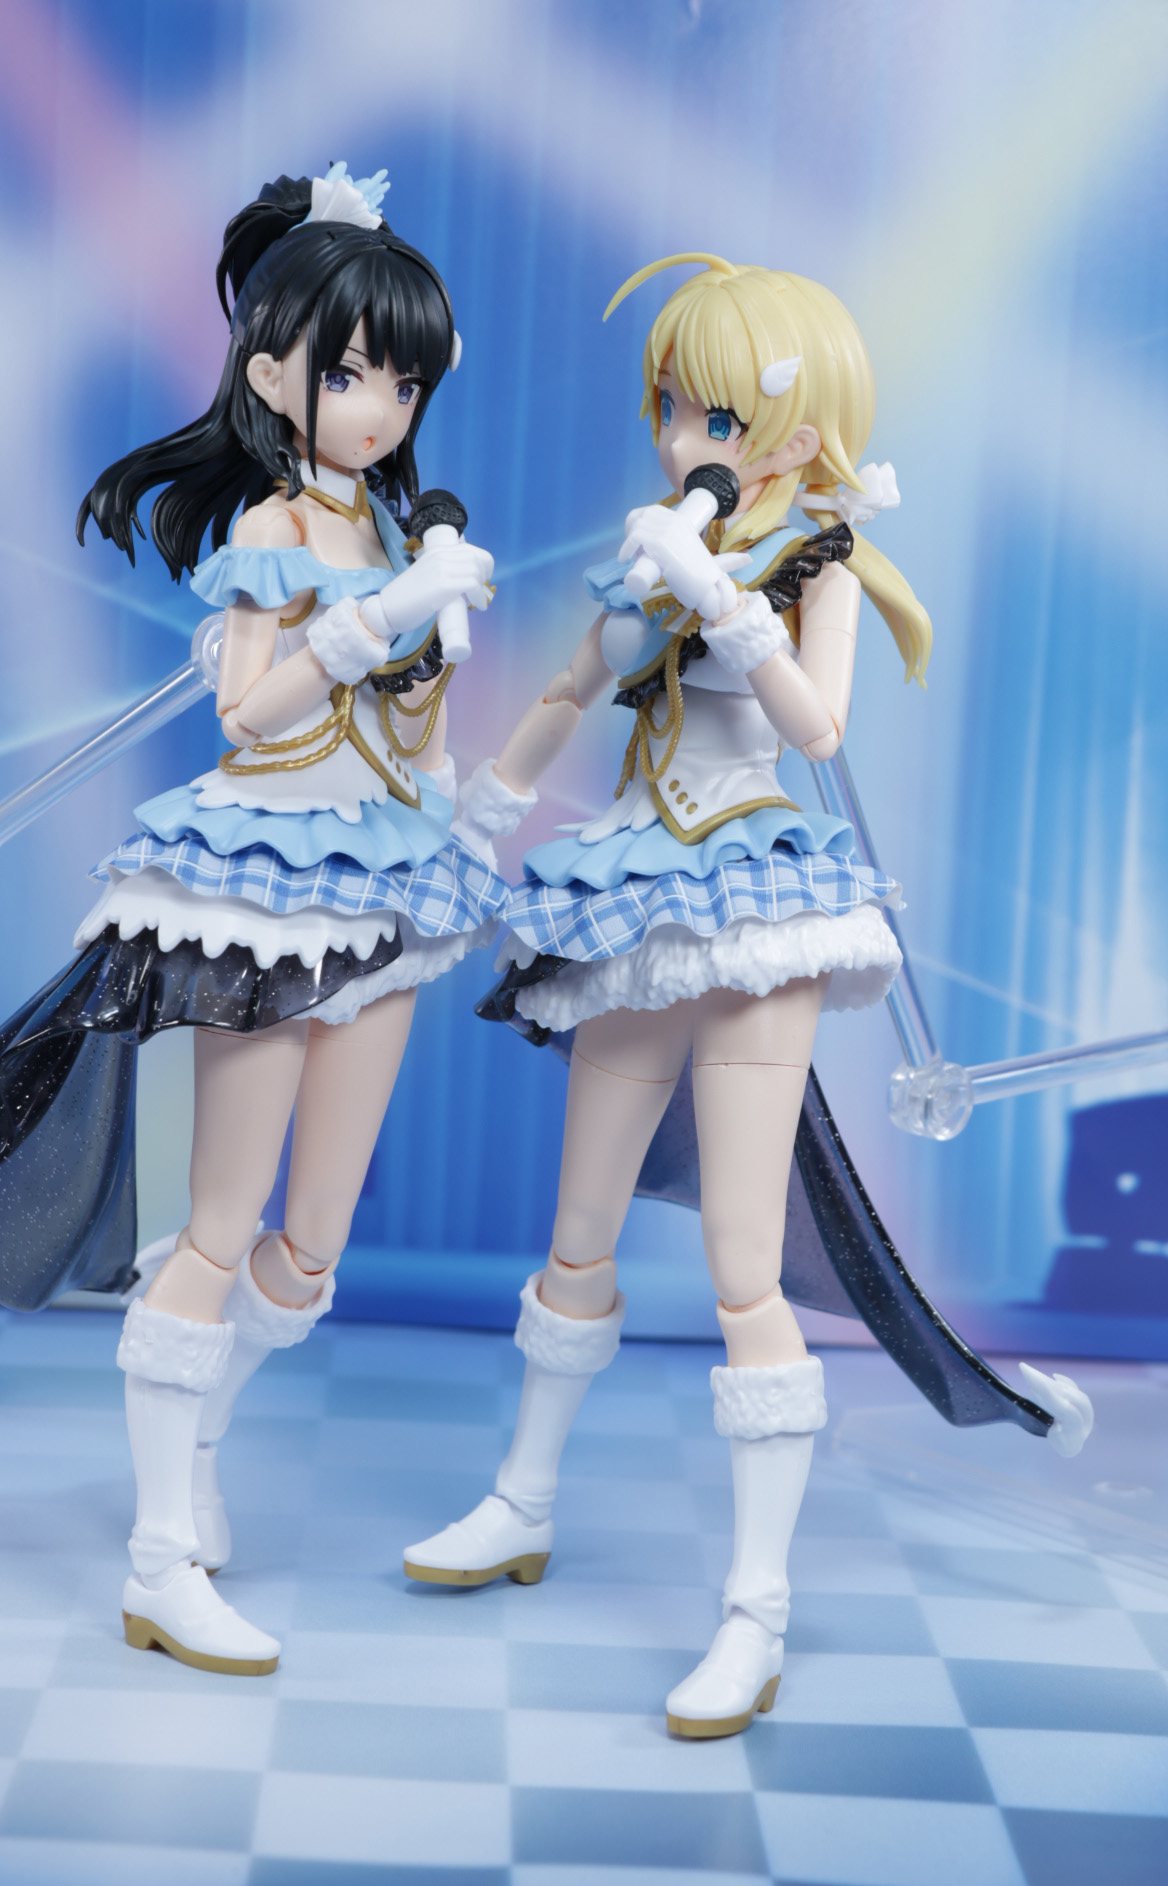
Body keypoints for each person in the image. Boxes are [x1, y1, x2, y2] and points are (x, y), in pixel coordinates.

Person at [0, 165, 499, 1677]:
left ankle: (196, 1440)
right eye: (352, 375)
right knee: (221, 1227)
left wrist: (433, 656)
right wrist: (370, 626)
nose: (381, 408)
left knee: (312, 1249)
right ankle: (161, 1555)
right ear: (275, 374)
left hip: (386, 886)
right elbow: (246, 709)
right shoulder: (278, 524)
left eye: (404, 381)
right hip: (267, 891)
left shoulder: (396, 530)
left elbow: (406, 743)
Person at [403, 253, 930, 1736]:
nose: (684, 437)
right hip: (634, 885)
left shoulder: (818, 563)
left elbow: (818, 730)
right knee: (577, 1232)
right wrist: (480, 816)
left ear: (799, 431)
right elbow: (569, 690)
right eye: (672, 409)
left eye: (715, 413)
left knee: (743, 1268)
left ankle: (756, 1610)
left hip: (755, 895)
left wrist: (731, 605)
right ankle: (523, 1500)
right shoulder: (650, 550)